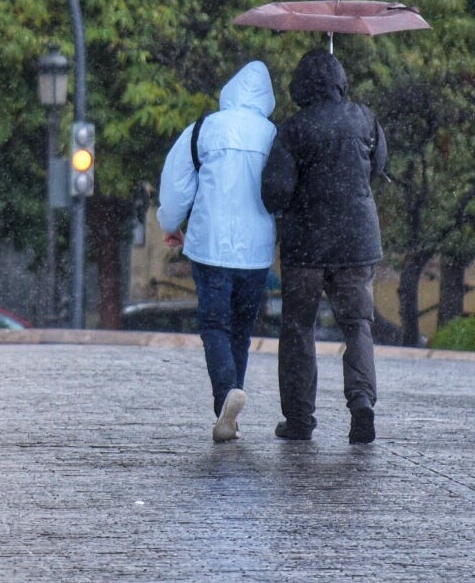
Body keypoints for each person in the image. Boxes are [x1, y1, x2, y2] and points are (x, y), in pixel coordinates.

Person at [262, 46, 387, 445]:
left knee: (299, 328)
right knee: (358, 326)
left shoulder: (294, 129)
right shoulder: (365, 118)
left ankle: (299, 418)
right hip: (357, 242)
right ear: (340, 82)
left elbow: (275, 193)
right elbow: (379, 165)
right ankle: (362, 402)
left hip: (307, 248)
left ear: (301, 85)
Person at [157, 61, 277, 443]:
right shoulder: (273, 135)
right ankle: (231, 409)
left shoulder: (204, 127)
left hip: (210, 247)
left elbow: (177, 185)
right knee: (240, 331)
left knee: (214, 326)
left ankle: (226, 397)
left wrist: (171, 224)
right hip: (256, 252)